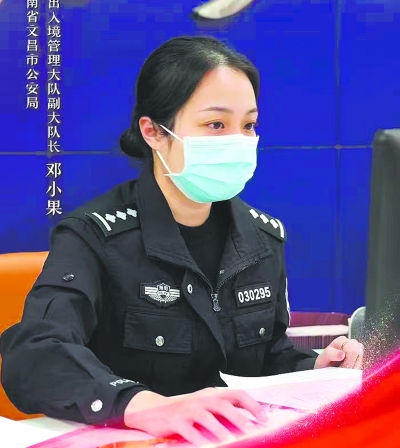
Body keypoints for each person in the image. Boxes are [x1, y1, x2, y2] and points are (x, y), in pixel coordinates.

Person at [0, 36, 363, 446]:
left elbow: (265, 360)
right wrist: (144, 405)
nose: (238, 140)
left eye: (248, 125)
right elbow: (36, 353)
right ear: (154, 132)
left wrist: (314, 369)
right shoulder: (94, 235)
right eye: (216, 125)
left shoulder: (264, 238)